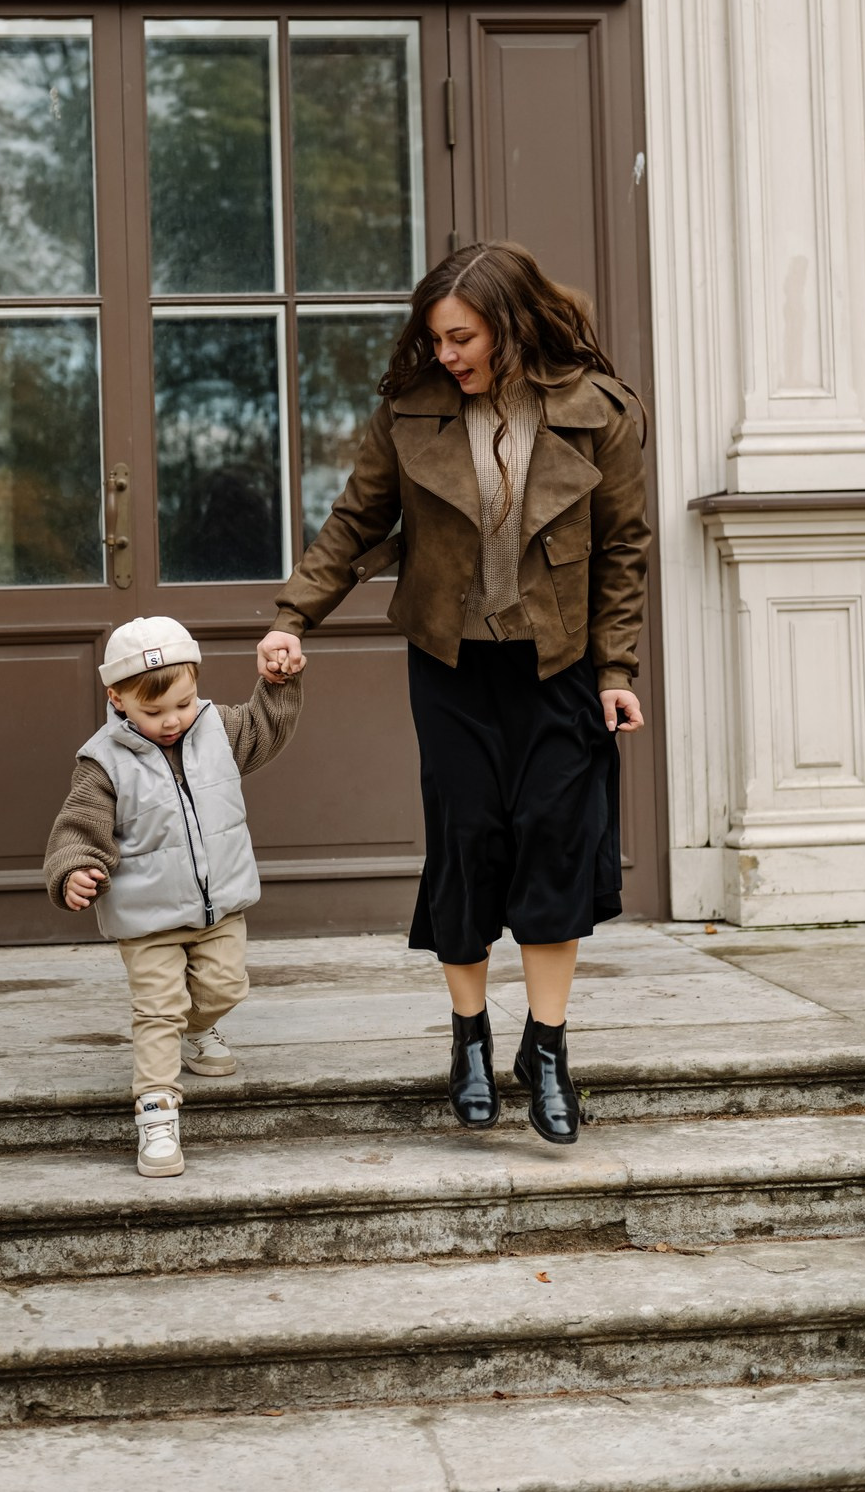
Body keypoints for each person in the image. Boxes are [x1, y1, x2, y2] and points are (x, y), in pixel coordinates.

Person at [257, 242, 650, 1146]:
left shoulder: (602, 411)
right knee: (468, 840)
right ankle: (468, 1036)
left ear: (509, 324)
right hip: (452, 665)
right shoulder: (411, 412)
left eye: (463, 338)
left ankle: (545, 1046)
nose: (448, 357)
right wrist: (294, 617)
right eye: (436, 341)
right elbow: (356, 520)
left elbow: (625, 550)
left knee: (557, 843)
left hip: (560, 667)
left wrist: (617, 671)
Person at [44, 616, 303, 1177]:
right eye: (153, 712)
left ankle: (199, 1028)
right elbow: (79, 828)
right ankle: (156, 1113)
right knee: (158, 1010)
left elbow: (267, 727)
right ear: (116, 699)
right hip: (146, 921)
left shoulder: (219, 729)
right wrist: (75, 871)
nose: (171, 722)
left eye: (182, 705)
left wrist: (278, 684)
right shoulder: (102, 762)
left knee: (227, 985)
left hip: (219, 908)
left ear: (196, 685)